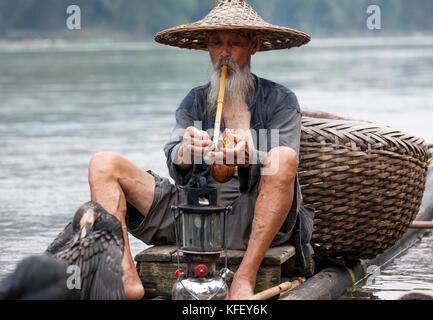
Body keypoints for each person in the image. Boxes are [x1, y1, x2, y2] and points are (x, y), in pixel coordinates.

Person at [87, 0, 315, 300]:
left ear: (254, 45)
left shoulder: (280, 100)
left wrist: (251, 158)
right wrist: (183, 153)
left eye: (234, 43)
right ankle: (126, 278)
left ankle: (244, 277)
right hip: (193, 214)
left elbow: (285, 163)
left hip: (253, 220)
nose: (224, 53)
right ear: (207, 47)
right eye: (216, 43)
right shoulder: (194, 101)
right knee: (103, 164)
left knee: (282, 158)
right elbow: (173, 155)